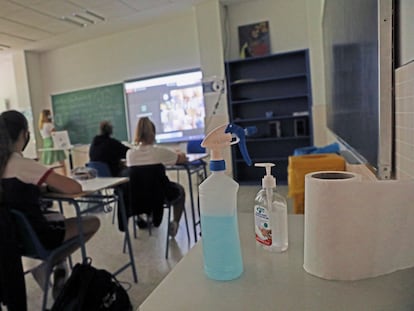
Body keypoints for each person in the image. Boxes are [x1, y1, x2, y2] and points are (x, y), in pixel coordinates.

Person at [0, 110, 101, 300]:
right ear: (24, 134)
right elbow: (74, 187)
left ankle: (52, 265)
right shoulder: (22, 164)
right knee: (92, 222)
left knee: (57, 216)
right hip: (40, 235)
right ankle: (50, 264)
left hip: (14, 241)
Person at [126, 117, 187, 237]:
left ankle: (144, 216)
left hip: (138, 198)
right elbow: (181, 158)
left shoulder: (130, 154)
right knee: (180, 191)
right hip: (160, 196)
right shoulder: (159, 152)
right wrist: (179, 153)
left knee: (144, 185)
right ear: (153, 134)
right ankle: (174, 224)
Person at [38, 109, 67, 176]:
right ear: (47, 116)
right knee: (61, 161)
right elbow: (55, 134)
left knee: (49, 162)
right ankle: (65, 176)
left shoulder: (41, 126)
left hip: (46, 143)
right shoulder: (49, 125)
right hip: (53, 142)